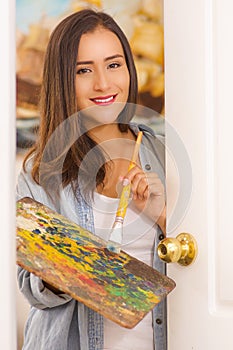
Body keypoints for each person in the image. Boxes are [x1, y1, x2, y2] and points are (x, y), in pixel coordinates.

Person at [17, 9, 167, 350]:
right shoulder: (39, 173)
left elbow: (198, 257)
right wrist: (66, 267)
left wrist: (161, 214)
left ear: (129, 68)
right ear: (62, 80)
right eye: (83, 70)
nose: (103, 83)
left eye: (113, 64)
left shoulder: (163, 154)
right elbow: (33, 289)